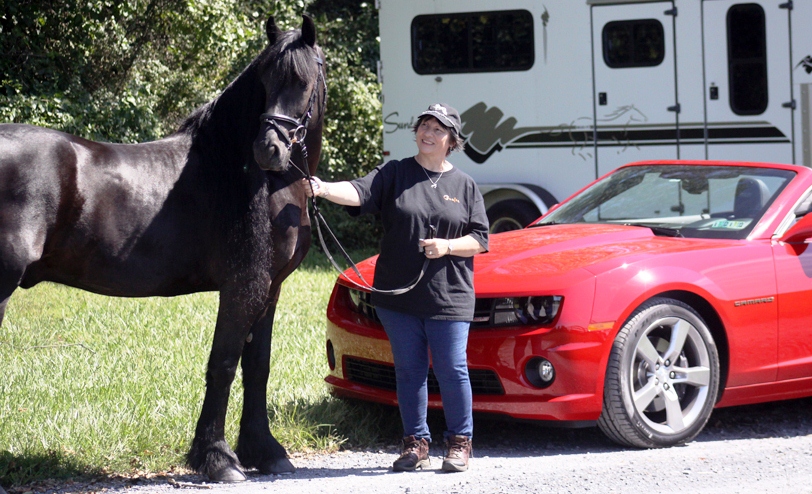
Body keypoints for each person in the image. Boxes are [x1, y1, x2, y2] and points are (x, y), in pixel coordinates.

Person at [300, 103, 489, 472]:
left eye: (438, 129)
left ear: (451, 140)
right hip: (396, 297)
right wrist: (321, 188)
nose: (428, 133)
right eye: (424, 126)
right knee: (408, 371)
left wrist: (447, 246)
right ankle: (415, 444)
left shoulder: (464, 184)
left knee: (452, 370)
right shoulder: (395, 172)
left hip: (448, 297)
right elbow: (357, 191)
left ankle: (460, 443)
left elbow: (481, 239)